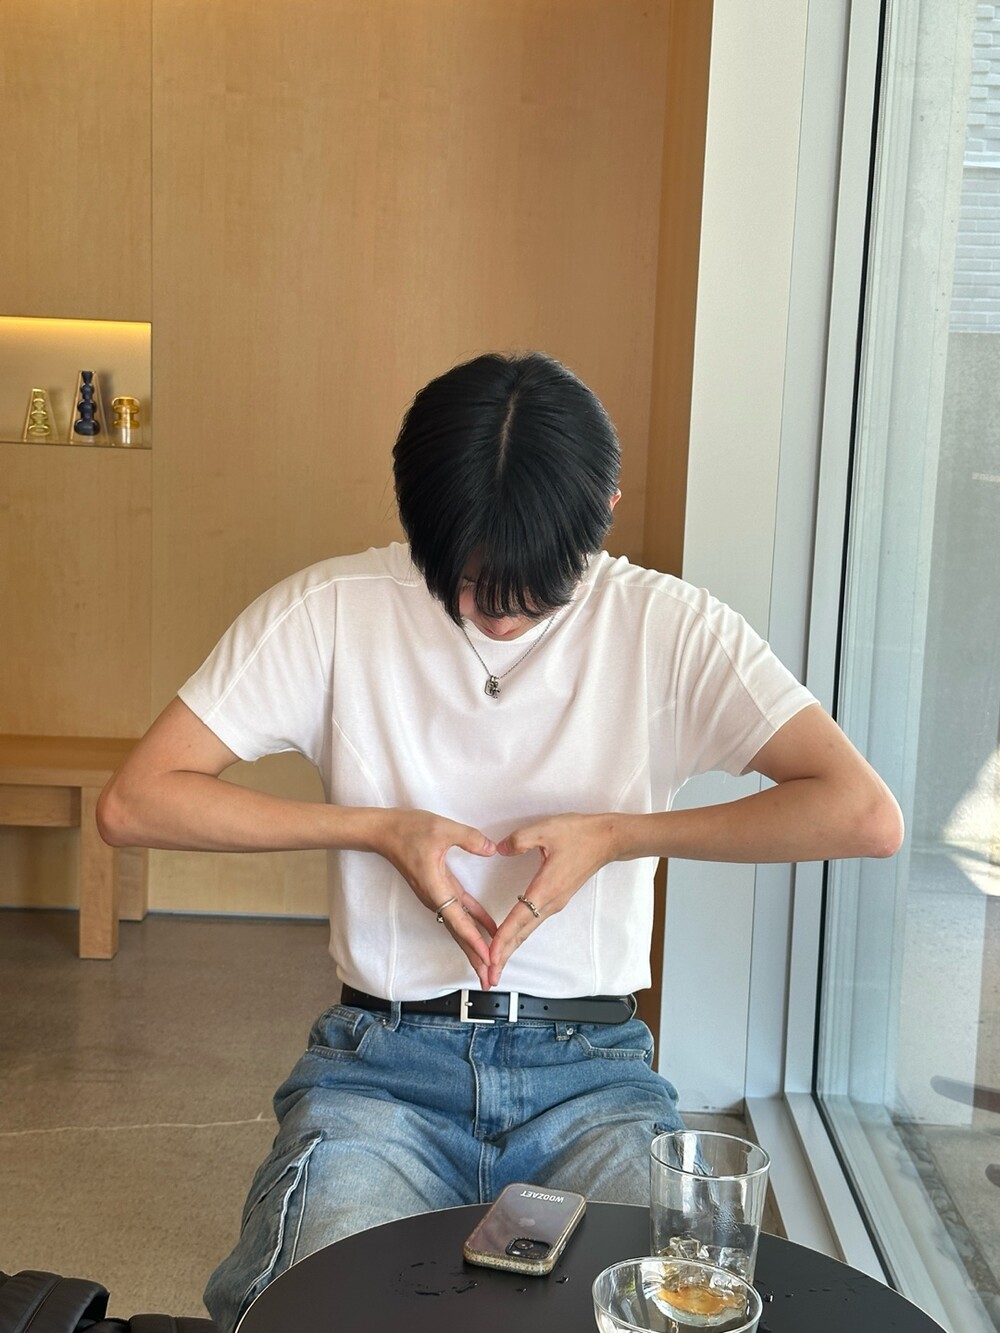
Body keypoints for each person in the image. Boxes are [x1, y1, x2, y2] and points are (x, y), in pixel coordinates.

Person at [97, 350, 903, 1332]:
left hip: (592, 1073)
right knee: (307, 1306)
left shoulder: (667, 625)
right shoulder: (332, 610)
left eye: (532, 588)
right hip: (384, 1068)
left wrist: (618, 835)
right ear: (418, 519)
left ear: (602, 512)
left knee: (669, 1313)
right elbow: (136, 802)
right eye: (469, 580)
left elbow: (861, 812)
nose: (496, 613)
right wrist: (374, 828)